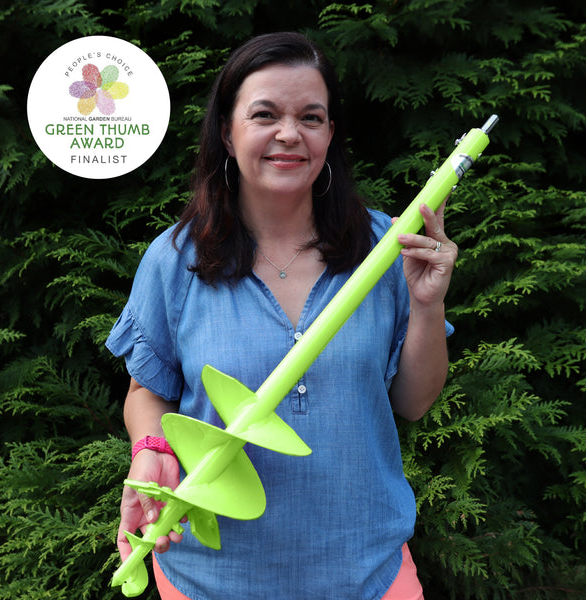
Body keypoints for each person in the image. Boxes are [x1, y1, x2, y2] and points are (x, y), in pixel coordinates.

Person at [106, 31, 457, 600]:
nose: (289, 134)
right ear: (228, 131)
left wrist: (427, 303)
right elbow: (147, 392)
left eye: (311, 118)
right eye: (265, 114)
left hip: (368, 574)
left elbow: (413, 402)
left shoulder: (386, 246)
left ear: (330, 134)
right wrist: (151, 451)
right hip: (210, 580)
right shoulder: (175, 259)